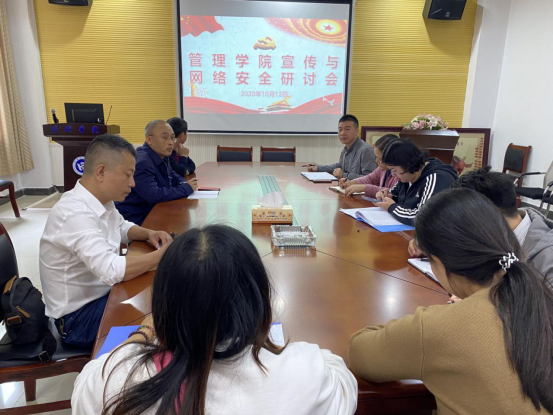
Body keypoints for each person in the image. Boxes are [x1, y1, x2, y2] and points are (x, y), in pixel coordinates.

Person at [72, 225, 358, 415]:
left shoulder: (116, 380)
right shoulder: (306, 372)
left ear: (163, 305)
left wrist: (142, 334)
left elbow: (89, 380)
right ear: (256, 301)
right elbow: (340, 374)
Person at [348, 188, 553, 414]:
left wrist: (429, 321)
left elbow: (360, 354)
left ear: (438, 261)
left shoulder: (439, 327)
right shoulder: (537, 294)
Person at [40, 134, 173, 347]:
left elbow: (121, 227)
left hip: (103, 294)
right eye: (128, 175)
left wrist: (148, 233)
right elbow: (111, 269)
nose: (132, 183)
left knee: (164, 294)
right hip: (77, 319)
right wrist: (162, 256)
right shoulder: (74, 213)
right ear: (101, 172)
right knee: (167, 313)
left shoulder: (102, 200)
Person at [115, 120, 198, 225]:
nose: (171, 142)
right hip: (136, 219)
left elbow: (173, 175)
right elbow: (154, 194)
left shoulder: (162, 155)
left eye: (172, 138)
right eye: (165, 137)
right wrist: (185, 188)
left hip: (153, 210)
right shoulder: (142, 162)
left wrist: (184, 183)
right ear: (149, 139)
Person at [374, 140, 457, 225]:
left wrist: (392, 207)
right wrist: (386, 195)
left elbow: (424, 217)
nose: (393, 174)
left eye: (394, 170)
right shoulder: (407, 177)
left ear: (407, 164)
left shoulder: (436, 178)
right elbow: (394, 194)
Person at [306, 114, 377, 179]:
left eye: (347, 129)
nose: (342, 133)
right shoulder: (346, 149)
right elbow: (340, 166)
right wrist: (318, 168)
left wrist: (344, 175)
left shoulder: (366, 150)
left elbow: (370, 178)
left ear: (357, 131)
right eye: (340, 130)